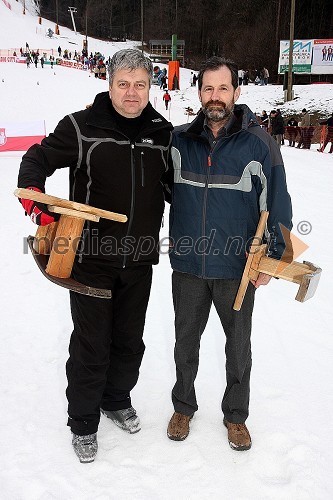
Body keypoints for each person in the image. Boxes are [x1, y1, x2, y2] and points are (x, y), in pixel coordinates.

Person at [17, 49, 173, 464]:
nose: (132, 93)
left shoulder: (162, 131)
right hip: (90, 261)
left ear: (150, 86)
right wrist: (36, 203)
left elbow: (175, 188)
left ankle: (117, 399)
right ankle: (83, 423)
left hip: (139, 260)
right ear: (109, 85)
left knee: (129, 341)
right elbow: (37, 158)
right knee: (91, 346)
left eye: (140, 84)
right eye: (123, 84)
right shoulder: (82, 127)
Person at [166, 56, 292, 451]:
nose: (215, 96)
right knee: (185, 341)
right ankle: (183, 405)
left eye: (223, 88)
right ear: (198, 92)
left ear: (236, 93)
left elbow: (280, 203)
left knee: (239, 347)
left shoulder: (260, 144)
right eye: (208, 88)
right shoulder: (179, 140)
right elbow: (164, 192)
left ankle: (236, 416)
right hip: (188, 263)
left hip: (237, 268)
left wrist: (275, 258)